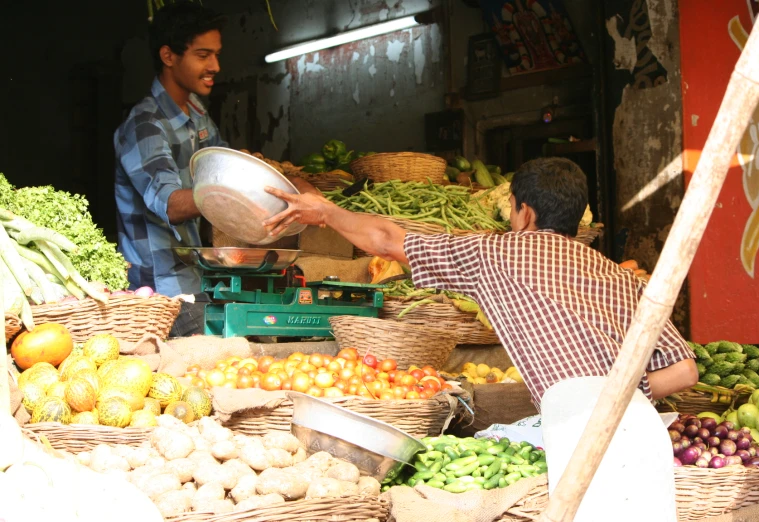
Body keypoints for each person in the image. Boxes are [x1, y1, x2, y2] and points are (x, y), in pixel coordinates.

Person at [262, 157, 698, 408]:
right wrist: (618, 397)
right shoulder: (617, 275)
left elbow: (387, 240)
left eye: (511, 211)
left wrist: (323, 212)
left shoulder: (495, 253)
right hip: (641, 430)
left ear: (523, 212)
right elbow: (684, 371)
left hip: (575, 433)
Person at [114, 3, 314, 337]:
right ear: (168, 56)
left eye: (217, 54)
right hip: (158, 292)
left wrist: (281, 182)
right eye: (203, 55)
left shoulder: (196, 112)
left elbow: (224, 167)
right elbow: (171, 205)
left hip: (194, 280)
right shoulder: (144, 126)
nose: (215, 66)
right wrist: (233, 192)